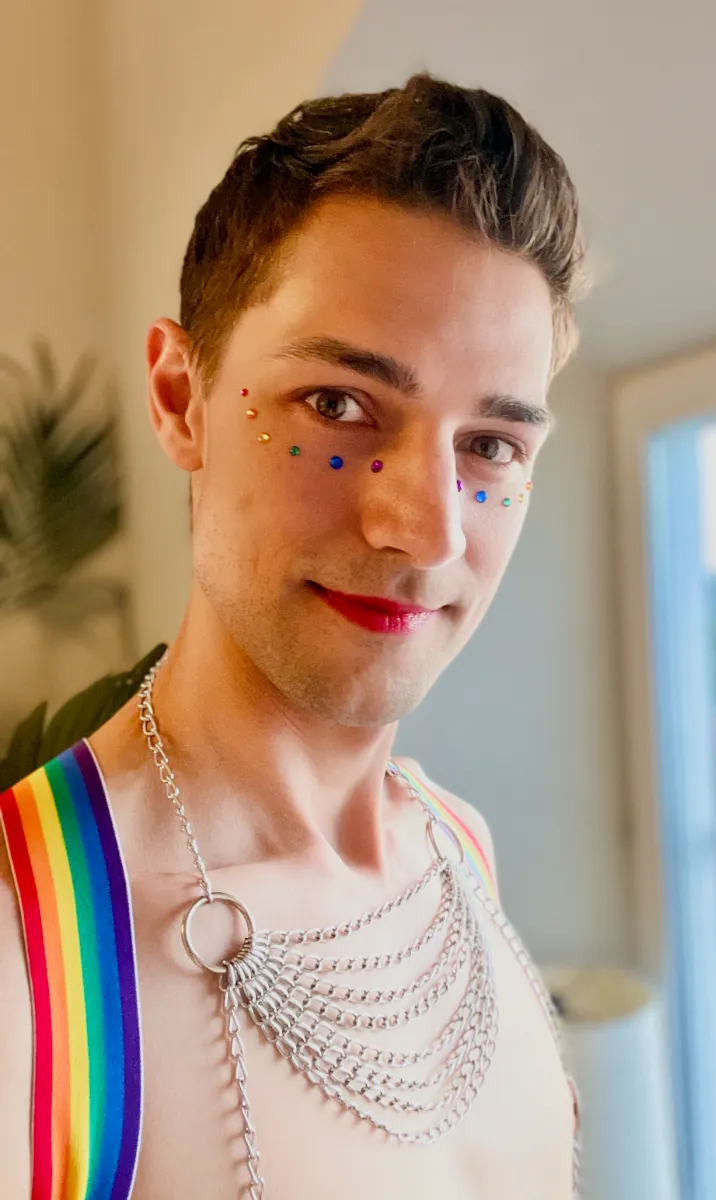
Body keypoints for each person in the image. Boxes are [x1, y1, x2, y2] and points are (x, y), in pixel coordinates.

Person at [0, 72, 586, 1199]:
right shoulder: (28, 952)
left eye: (490, 447)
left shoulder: (460, 850)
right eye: (337, 405)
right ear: (180, 398)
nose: (423, 528)